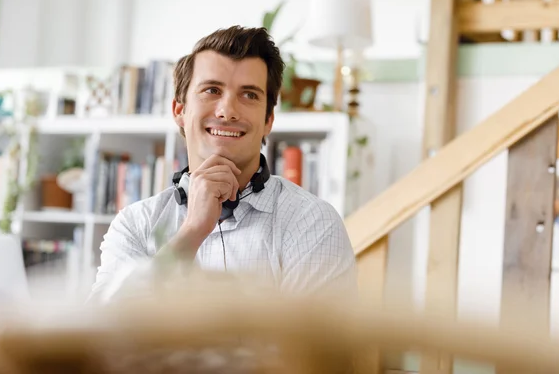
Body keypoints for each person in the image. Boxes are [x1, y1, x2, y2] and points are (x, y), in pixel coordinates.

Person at [88, 26, 357, 303]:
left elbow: (318, 345)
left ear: (268, 120)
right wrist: (192, 231)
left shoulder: (313, 222)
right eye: (212, 90)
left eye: (249, 95)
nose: (227, 111)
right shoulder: (135, 224)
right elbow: (102, 333)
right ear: (180, 111)